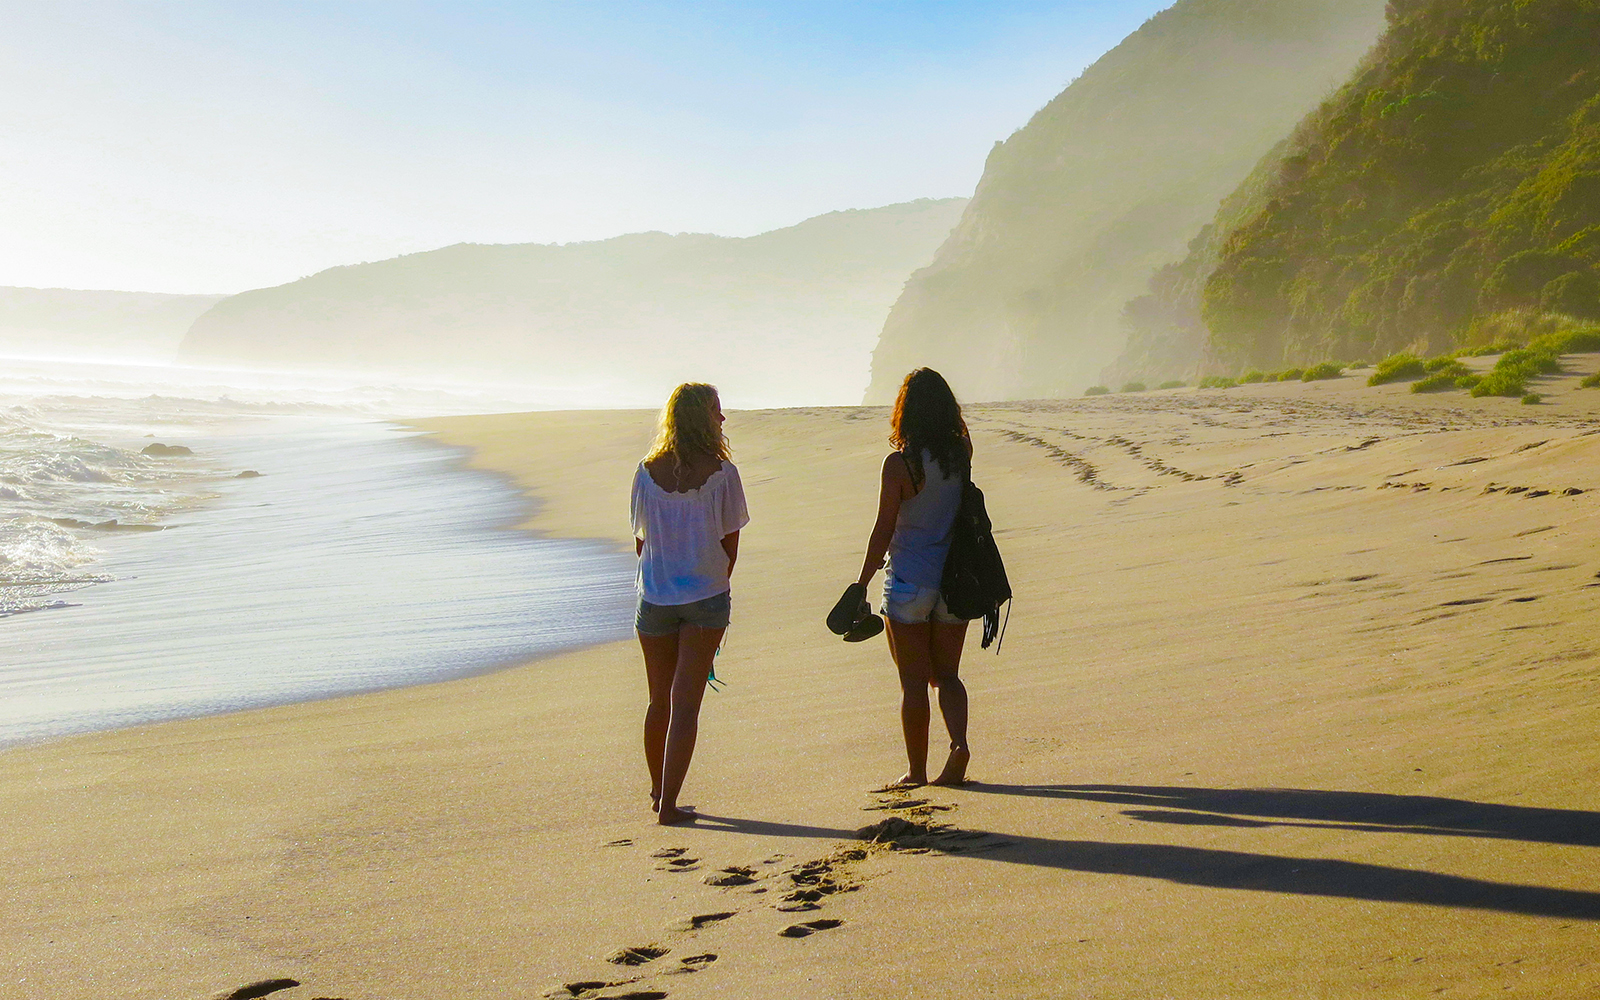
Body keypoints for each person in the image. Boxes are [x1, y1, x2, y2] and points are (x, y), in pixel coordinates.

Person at [630, 383, 748, 824]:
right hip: (705, 596)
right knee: (685, 704)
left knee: (658, 699)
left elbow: (640, 542)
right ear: (702, 418)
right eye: (717, 411)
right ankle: (670, 805)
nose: (723, 419)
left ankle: (660, 793)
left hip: (655, 597)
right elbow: (730, 543)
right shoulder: (722, 473)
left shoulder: (645, 471)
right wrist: (712, 580)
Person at [854, 368, 973, 788]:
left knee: (913, 684)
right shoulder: (962, 452)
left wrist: (861, 581)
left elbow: (884, 528)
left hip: (908, 581)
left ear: (905, 412)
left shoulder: (899, 465)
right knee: (949, 676)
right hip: (955, 580)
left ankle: (917, 771)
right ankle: (958, 745)